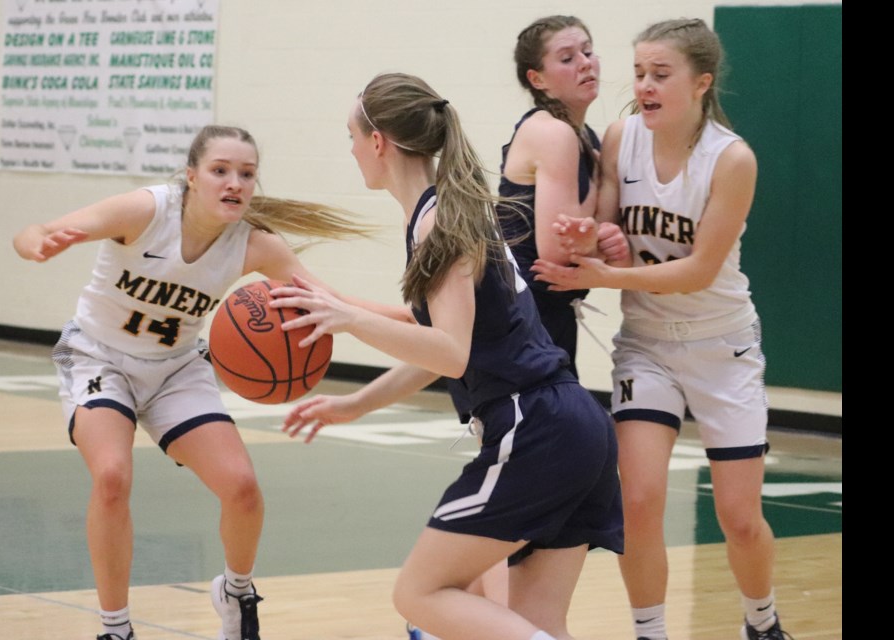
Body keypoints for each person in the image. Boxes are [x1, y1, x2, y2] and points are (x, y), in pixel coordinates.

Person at [11, 124, 408, 640]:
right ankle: (116, 628)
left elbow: (331, 303)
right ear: (191, 176)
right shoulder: (145, 210)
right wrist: (39, 244)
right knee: (111, 476)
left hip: (176, 367)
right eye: (221, 171)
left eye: (246, 174)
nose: (234, 183)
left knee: (241, 488)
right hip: (98, 357)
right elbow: (35, 230)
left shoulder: (256, 244)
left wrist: (413, 317)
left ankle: (237, 592)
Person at [272, 72, 623, 640]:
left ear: (378, 141)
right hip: (575, 425)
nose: (353, 149)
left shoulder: (440, 220)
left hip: (533, 426)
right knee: (534, 623)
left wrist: (349, 318)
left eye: (352, 136)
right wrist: (355, 404)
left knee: (420, 593)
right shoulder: (452, 210)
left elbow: (451, 353)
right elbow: (443, 347)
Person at [531, 18, 790, 640]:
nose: (643, 85)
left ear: (701, 83)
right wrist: (590, 237)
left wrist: (602, 277)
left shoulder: (732, 160)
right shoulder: (622, 136)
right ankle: (650, 633)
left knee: (740, 517)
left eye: (660, 75)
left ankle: (762, 621)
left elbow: (699, 270)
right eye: (640, 72)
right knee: (640, 503)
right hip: (646, 347)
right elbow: (607, 226)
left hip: (721, 346)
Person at [498, 15, 630, 380]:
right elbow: (558, 251)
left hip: (550, 309)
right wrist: (597, 240)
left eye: (588, 51)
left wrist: (600, 242)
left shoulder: (585, 135)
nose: (586, 63)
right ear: (536, 79)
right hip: (522, 311)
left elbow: (600, 236)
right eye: (568, 58)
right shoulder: (553, 133)